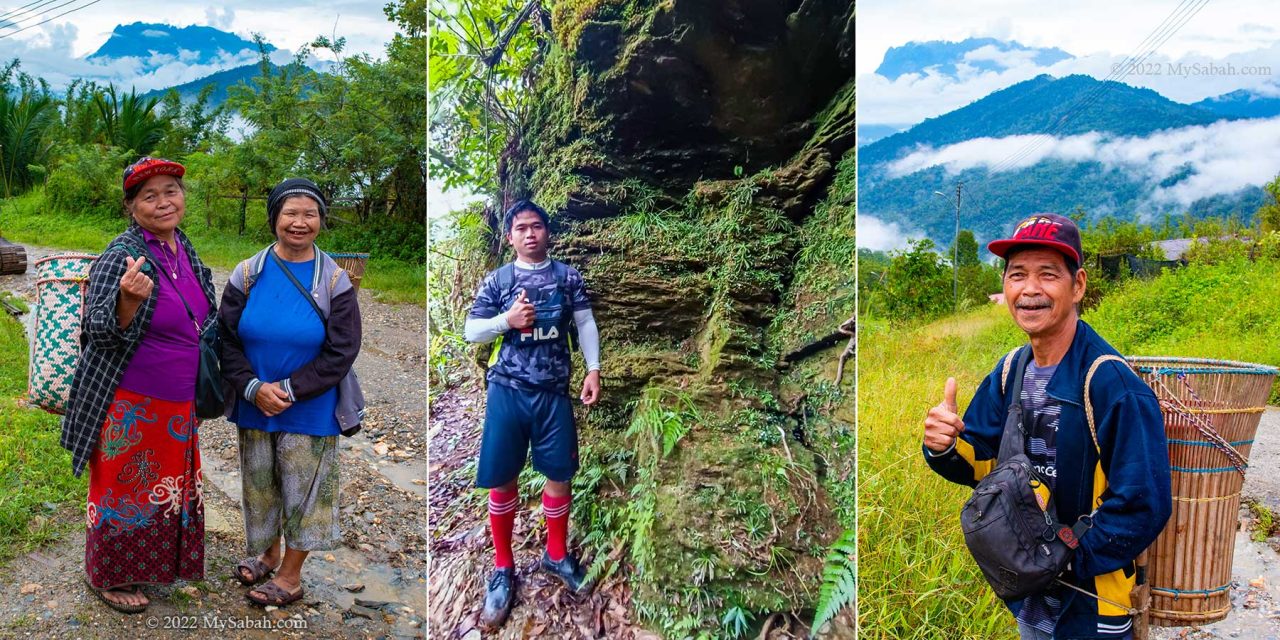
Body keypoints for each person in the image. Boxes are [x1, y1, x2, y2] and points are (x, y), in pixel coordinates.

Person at [921, 213, 1172, 640]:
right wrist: (944, 445)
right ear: (1005, 287)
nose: (1030, 289)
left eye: (1048, 275)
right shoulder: (1011, 370)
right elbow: (983, 462)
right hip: (1030, 592)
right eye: (1017, 275)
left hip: (1092, 602)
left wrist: (1065, 554)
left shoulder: (1111, 384)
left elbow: (1143, 502)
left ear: (1078, 286)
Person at [61, 157, 216, 613]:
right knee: (121, 489)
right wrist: (128, 299)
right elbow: (99, 333)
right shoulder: (121, 255)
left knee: (164, 487)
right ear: (131, 206)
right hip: (131, 402)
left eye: (172, 191)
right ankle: (108, 576)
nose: (164, 202)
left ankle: (151, 565)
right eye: (149, 196)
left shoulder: (182, 246)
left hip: (177, 400)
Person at [217, 178, 362, 607]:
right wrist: (252, 387)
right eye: (290, 214)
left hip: (309, 408)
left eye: (310, 215)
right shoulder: (248, 272)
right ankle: (267, 552)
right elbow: (225, 338)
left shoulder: (334, 279)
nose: (300, 223)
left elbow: (342, 350)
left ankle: (291, 576)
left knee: (306, 491)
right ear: (275, 219)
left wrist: (288, 389)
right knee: (260, 484)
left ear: (321, 221)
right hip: (255, 403)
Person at [463, 199, 602, 629]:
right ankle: (503, 568)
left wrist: (593, 369)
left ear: (547, 232)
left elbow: (585, 324)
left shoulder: (567, 277)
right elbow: (471, 331)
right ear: (510, 237)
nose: (529, 233)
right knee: (503, 479)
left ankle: (556, 554)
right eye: (521, 228)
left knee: (559, 474)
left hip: (554, 392)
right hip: (508, 391)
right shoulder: (500, 280)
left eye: (536, 226)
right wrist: (506, 319)